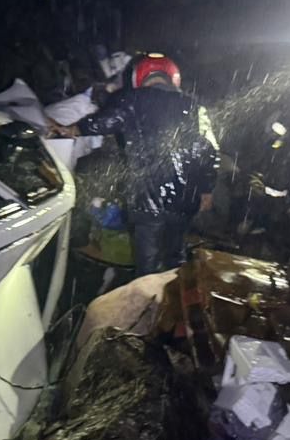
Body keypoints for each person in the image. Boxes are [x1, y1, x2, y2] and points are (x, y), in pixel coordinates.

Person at [65, 53, 219, 276]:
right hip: (185, 201)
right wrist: (207, 189)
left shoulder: (132, 99)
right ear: (172, 77)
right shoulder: (194, 106)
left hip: (147, 201)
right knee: (175, 258)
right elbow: (209, 149)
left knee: (147, 267)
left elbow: (106, 121)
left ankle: (149, 306)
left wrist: (75, 129)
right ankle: (174, 303)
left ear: (140, 77)